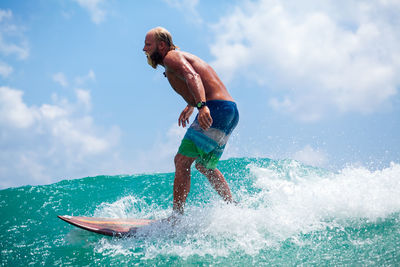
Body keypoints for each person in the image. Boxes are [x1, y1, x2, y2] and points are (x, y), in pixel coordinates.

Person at [143, 27, 239, 217]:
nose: (144, 49)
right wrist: (191, 105)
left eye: (148, 44)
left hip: (215, 108)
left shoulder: (171, 57)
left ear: (161, 46)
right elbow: (200, 79)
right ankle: (234, 207)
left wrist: (202, 106)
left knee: (181, 160)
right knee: (205, 166)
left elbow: (192, 76)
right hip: (229, 111)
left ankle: (176, 218)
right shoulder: (178, 58)